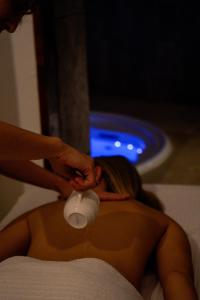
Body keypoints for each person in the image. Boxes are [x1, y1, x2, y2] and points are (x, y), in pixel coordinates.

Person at [0, 156, 198, 300]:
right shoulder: (158, 220)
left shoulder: (41, 212)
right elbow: (177, 279)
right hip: (94, 292)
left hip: (10, 285)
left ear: (97, 173)